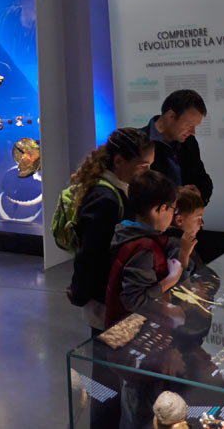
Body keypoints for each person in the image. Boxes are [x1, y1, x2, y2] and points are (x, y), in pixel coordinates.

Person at [67, 128, 157, 331]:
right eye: (143, 166)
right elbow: (90, 253)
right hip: (105, 297)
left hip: (115, 294)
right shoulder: (105, 199)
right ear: (118, 161)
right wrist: (79, 292)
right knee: (107, 357)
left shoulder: (119, 190)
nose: (148, 171)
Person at [104, 170, 182, 327]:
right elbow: (134, 300)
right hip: (130, 330)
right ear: (159, 209)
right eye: (173, 209)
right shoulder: (144, 248)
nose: (174, 215)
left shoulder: (128, 235)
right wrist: (171, 279)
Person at [142, 90, 213, 205]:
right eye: (189, 125)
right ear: (171, 115)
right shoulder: (139, 142)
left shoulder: (189, 142)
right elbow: (137, 189)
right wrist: (174, 194)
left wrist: (199, 193)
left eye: (195, 126)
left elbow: (202, 178)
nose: (193, 132)